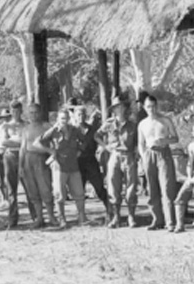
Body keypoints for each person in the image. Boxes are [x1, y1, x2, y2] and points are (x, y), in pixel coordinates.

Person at [34, 108, 86, 227]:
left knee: (79, 193)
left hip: (73, 166)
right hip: (59, 166)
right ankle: (62, 219)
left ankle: (82, 217)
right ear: (58, 119)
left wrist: (80, 151)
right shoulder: (53, 131)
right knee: (59, 195)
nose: (64, 120)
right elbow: (37, 142)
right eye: (62, 118)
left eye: (66, 118)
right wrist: (50, 151)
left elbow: (85, 141)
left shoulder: (74, 130)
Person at [137, 94, 179, 231]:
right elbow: (141, 143)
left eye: (154, 106)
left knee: (167, 187)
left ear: (157, 106)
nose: (152, 109)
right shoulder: (142, 124)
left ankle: (170, 221)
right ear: (144, 107)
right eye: (149, 107)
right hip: (149, 154)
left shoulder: (165, 120)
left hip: (163, 153)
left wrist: (164, 141)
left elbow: (175, 138)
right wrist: (144, 158)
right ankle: (157, 219)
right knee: (152, 188)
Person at [97, 95, 138, 228]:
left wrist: (137, 154)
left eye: (121, 106)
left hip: (129, 155)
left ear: (125, 108)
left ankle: (131, 216)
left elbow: (138, 141)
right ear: (113, 109)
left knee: (131, 187)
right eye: (116, 107)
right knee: (113, 186)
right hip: (114, 155)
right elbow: (96, 135)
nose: (119, 109)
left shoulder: (132, 125)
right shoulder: (109, 124)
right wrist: (105, 146)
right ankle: (116, 216)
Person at [69, 99, 112, 224]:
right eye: (78, 114)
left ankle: (110, 212)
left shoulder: (92, 129)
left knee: (99, 188)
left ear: (86, 116)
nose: (81, 117)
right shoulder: (71, 131)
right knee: (79, 191)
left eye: (83, 114)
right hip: (77, 164)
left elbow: (100, 139)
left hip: (91, 162)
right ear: (75, 116)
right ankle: (81, 216)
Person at [20, 102, 56, 228]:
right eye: (31, 112)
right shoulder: (25, 129)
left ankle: (52, 216)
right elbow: (23, 148)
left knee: (45, 188)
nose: (33, 115)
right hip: (28, 159)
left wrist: (51, 154)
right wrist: (21, 165)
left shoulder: (46, 126)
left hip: (42, 159)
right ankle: (39, 218)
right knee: (33, 191)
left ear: (40, 113)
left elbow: (54, 142)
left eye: (36, 112)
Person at [0, 100, 28, 227]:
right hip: (10, 156)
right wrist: (20, 142)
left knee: (29, 187)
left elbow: (29, 141)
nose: (16, 113)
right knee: (11, 188)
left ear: (21, 111)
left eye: (18, 110)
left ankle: (36, 216)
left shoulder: (26, 125)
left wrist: (15, 141)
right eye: (13, 111)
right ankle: (13, 218)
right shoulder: (5, 126)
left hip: (25, 156)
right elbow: (3, 142)